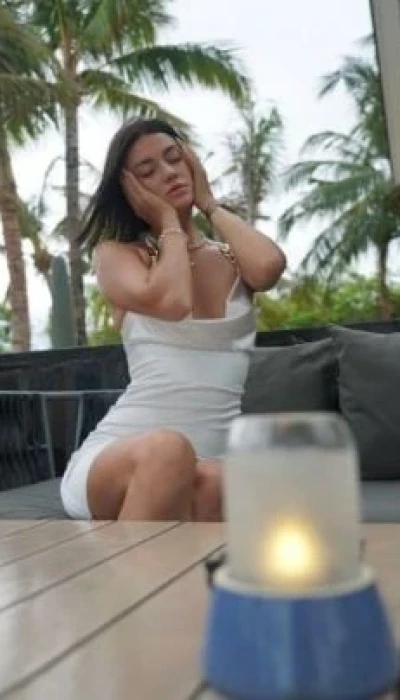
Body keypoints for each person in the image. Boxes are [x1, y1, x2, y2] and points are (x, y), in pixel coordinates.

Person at [60, 117, 286, 522]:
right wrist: (168, 222)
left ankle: (135, 562)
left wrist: (209, 203)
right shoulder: (118, 256)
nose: (167, 172)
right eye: (147, 170)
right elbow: (172, 300)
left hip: (208, 467)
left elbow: (269, 267)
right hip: (123, 462)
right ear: (129, 190)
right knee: (169, 450)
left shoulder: (233, 259)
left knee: (222, 478)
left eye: (174, 158)